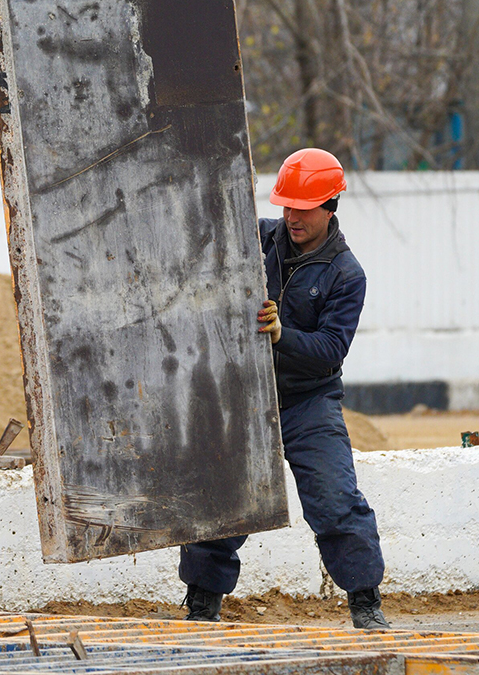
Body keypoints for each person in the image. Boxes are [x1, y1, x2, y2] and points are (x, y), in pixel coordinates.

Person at [179, 148, 389, 629]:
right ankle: (202, 605)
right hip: (245, 398)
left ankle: (365, 602)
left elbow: (331, 350)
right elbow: (208, 230)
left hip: (307, 403)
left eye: (304, 207)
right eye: (287, 206)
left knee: (336, 503)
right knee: (224, 504)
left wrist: (281, 335)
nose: (291, 216)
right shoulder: (261, 237)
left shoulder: (345, 274)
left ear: (331, 205)